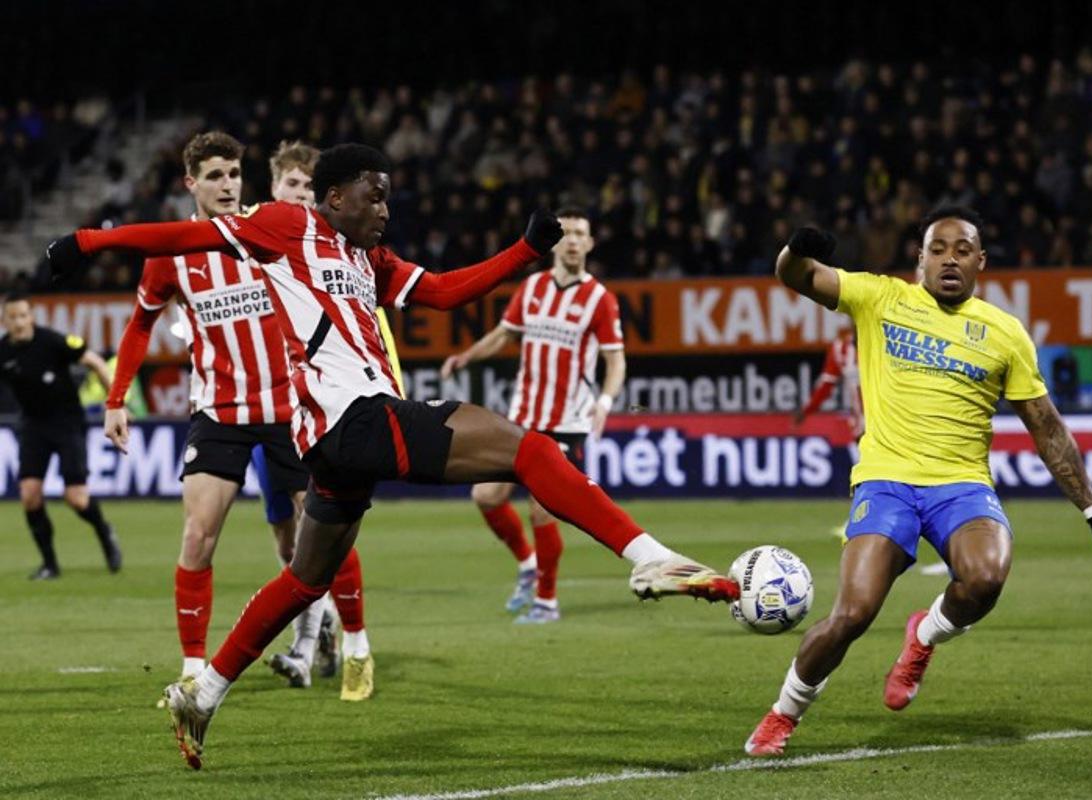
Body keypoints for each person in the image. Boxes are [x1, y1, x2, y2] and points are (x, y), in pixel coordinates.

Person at [47, 143, 736, 770]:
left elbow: (442, 292)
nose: (385, 208)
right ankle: (648, 559)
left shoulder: (367, 260)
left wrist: (523, 251)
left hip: (332, 438)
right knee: (528, 448)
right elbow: (182, 235)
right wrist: (85, 241)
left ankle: (203, 694)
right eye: (373, 196)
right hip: (353, 416)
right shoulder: (287, 228)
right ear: (333, 196)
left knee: (305, 579)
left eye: (388, 196)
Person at [742, 206, 1092, 757]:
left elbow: (1046, 428)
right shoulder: (881, 298)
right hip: (886, 481)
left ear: (981, 262)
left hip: (961, 486)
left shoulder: (1005, 334)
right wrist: (795, 248)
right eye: (938, 248)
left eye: (962, 249)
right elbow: (795, 275)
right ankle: (783, 714)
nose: (950, 259)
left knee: (987, 577)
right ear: (919, 259)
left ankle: (923, 638)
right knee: (851, 615)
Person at [99, 133, 372, 702]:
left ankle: (355, 645)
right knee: (198, 535)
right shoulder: (172, 253)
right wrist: (117, 397)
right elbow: (140, 324)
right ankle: (195, 666)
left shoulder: (266, 232)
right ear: (191, 183)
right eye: (216, 176)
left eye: (234, 174)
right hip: (219, 410)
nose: (227, 185)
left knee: (322, 532)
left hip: (289, 408)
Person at [441, 207, 625, 624]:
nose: (574, 240)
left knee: (543, 507)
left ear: (591, 244)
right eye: (568, 233)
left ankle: (547, 601)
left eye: (582, 233)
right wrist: (466, 355)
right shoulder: (533, 288)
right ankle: (527, 565)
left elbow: (616, 361)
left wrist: (607, 401)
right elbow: (505, 334)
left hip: (566, 421)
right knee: (485, 495)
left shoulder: (600, 299)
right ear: (557, 242)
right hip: (523, 417)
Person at [255, 140, 375, 696]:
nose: (302, 196)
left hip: (316, 407)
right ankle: (321, 629)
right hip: (260, 411)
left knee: (321, 526)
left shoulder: (330, 253)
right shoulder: (259, 239)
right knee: (288, 541)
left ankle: (345, 642)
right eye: (293, 187)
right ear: (276, 190)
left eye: (310, 187)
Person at [0, 291, 122, 579]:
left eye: (22, 315)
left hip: (67, 423)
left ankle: (104, 531)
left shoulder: (52, 341)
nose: (18, 322)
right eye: (12, 317)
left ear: (31, 316)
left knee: (76, 498)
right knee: (30, 495)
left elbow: (94, 361)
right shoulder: (3, 351)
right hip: (33, 425)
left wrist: (116, 402)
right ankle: (49, 564)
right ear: (4, 321)